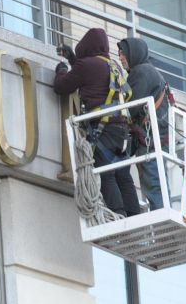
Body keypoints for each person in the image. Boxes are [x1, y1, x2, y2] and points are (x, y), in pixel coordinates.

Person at [54, 28, 140, 217]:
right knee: (123, 175)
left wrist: (61, 70)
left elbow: (62, 86)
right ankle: (135, 215)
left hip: (103, 129)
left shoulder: (86, 65)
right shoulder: (113, 66)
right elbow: (94, 78)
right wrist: (73, 59)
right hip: (122, 131)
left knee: (107, 173)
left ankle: (118, 215)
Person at [117, 37, 170, 211]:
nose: (120, 57)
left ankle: (160, 217)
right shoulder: (150, 71)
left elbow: (130, 108)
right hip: (155, 136)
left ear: (134, 53)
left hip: (151, 138)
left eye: (123, 53)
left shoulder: (141, 72)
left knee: (153, 182)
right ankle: (159, 212)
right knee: (157, 180)